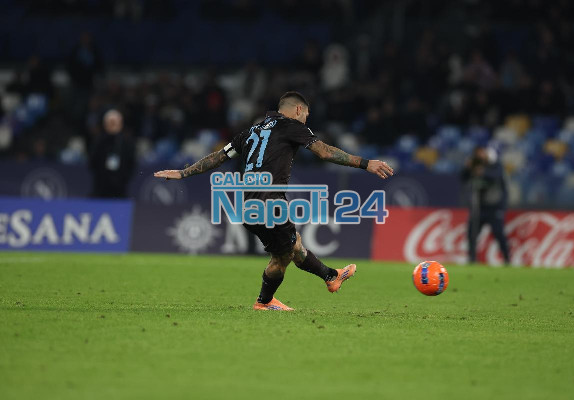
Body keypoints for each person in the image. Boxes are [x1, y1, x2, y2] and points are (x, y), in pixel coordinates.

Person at [154, 91, 394, 311]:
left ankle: (331, 276)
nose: (306, 120)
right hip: (269, 203)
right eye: (306, 115)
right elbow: (324, 152)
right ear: (298, 110)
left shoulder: (251, 131)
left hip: (247, 205)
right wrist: (366, 163)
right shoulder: (291, 126)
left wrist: (183, 173)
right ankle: (265, 301)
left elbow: (218, 157)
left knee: (293, 245)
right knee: (283, 256)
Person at [461, 146, 510, 265]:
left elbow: (496, 176)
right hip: (478, 207)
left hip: (494, 207)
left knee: (498, 233)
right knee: (472, 234)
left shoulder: (495, 166)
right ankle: (472, 259)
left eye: (482, 154)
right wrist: (467, 168)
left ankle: (507, 259)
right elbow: (463, 178)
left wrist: (483, 171)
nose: (480, 157)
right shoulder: (474, 167)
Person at [90, 109, 136, 198]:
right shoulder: (99, 141)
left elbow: (131, 163)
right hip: (100, 186)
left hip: (120, 187)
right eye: (110, 122)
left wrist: (123, 177)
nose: (112, 125)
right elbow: (92, 162)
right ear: (105, 124)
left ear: (120, 123)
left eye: (114, 122)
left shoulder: (127, 142)